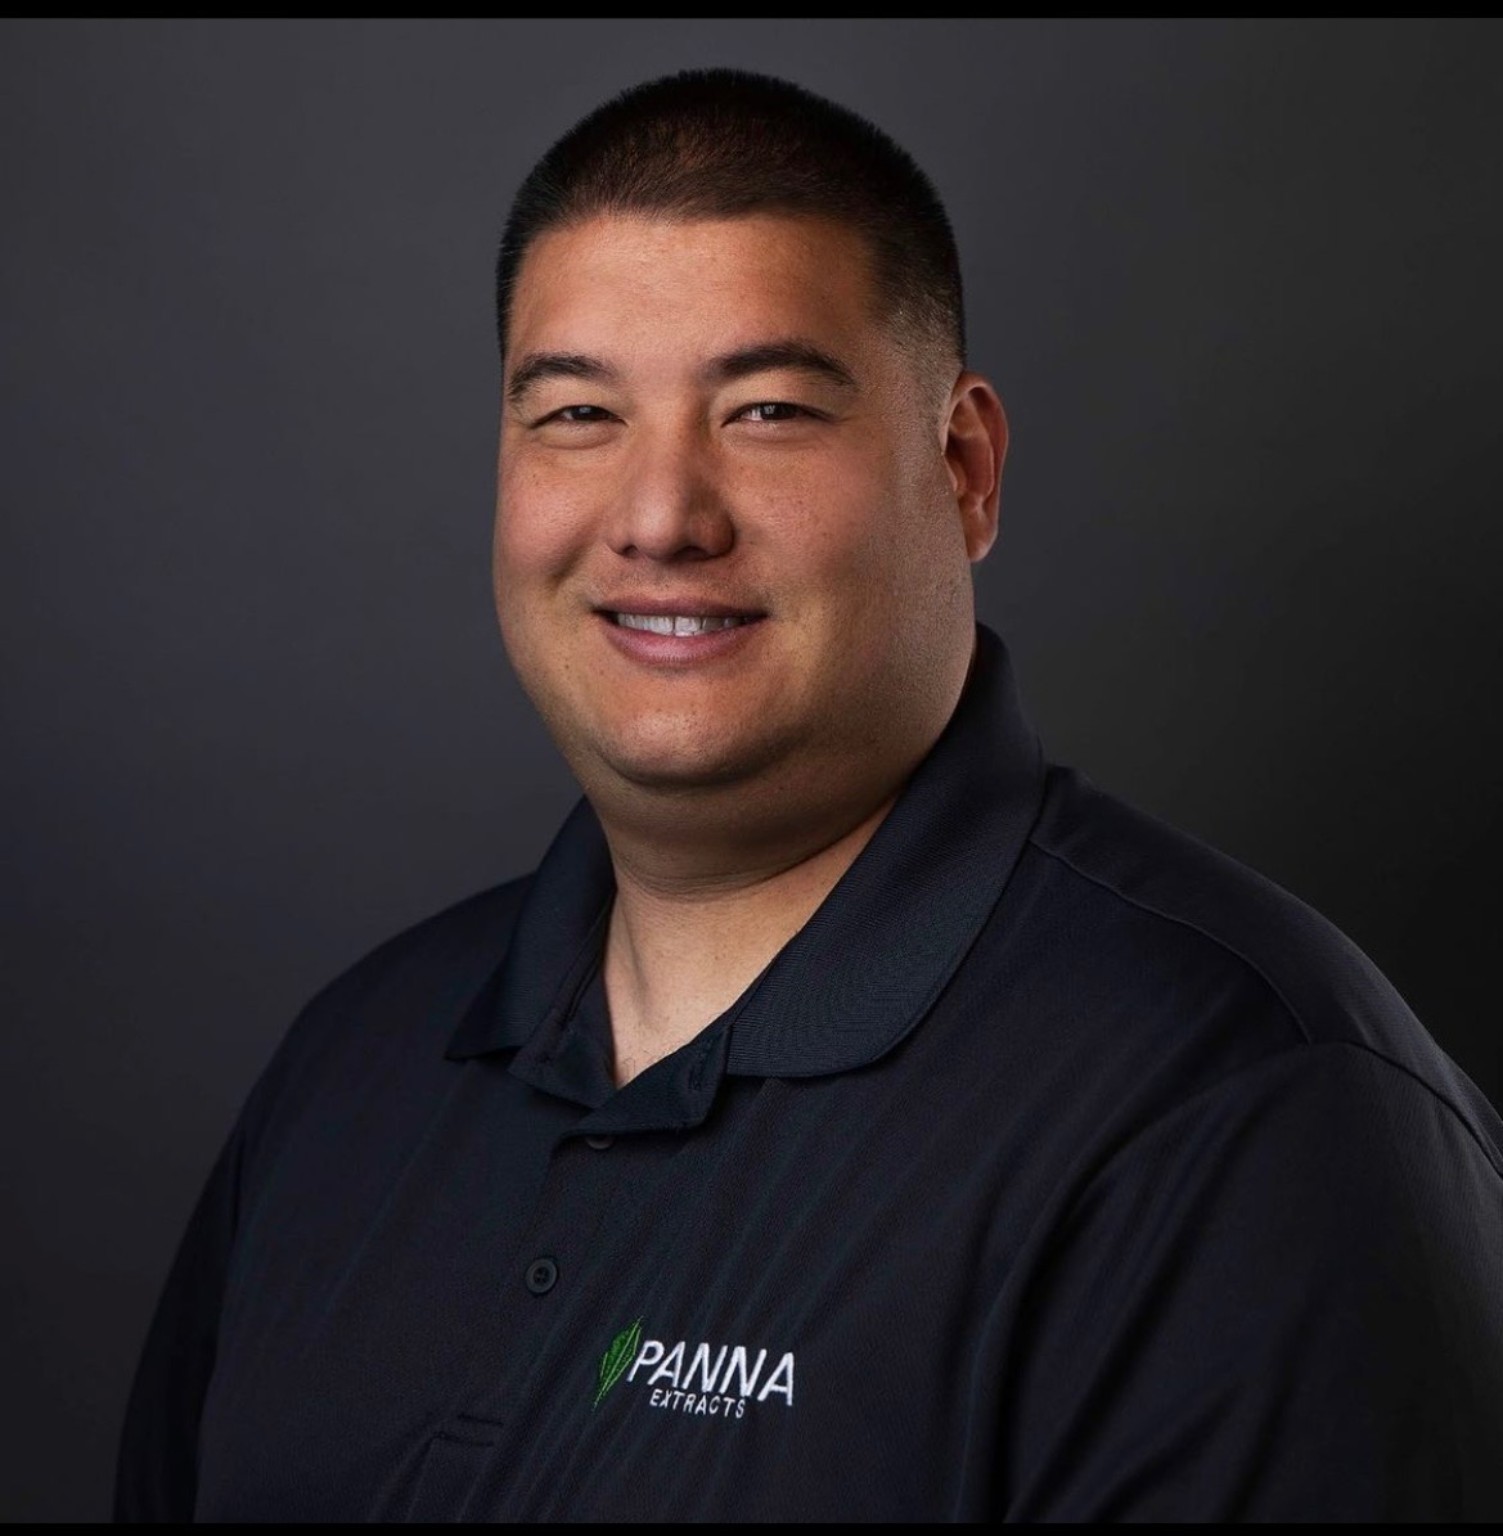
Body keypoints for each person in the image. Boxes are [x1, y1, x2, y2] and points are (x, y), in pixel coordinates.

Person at [114, 68, 1503, 1523]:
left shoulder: (1243, 1113)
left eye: (767, 410)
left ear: (963, 468)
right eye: (579, 413)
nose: (661, 516)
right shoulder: (351, 1070)